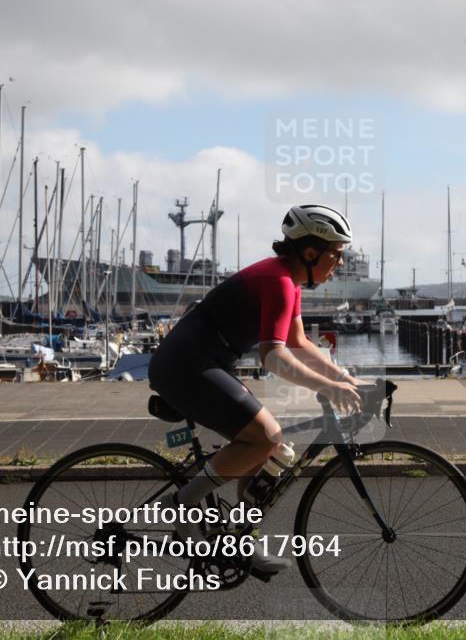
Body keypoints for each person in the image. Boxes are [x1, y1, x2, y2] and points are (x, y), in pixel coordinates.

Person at [147, 204, 364, 578]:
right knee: (265, 436)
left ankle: (240, 542)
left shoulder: (287, 280)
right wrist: (328, 386)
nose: (340, 263)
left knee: (270, 451)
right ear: (311, 253)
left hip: (202, 362)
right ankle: (181, 505)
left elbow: (297, 342)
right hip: (185, 366)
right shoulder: (278, 282)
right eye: (336, 254)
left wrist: (342, 377)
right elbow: (273, 356)